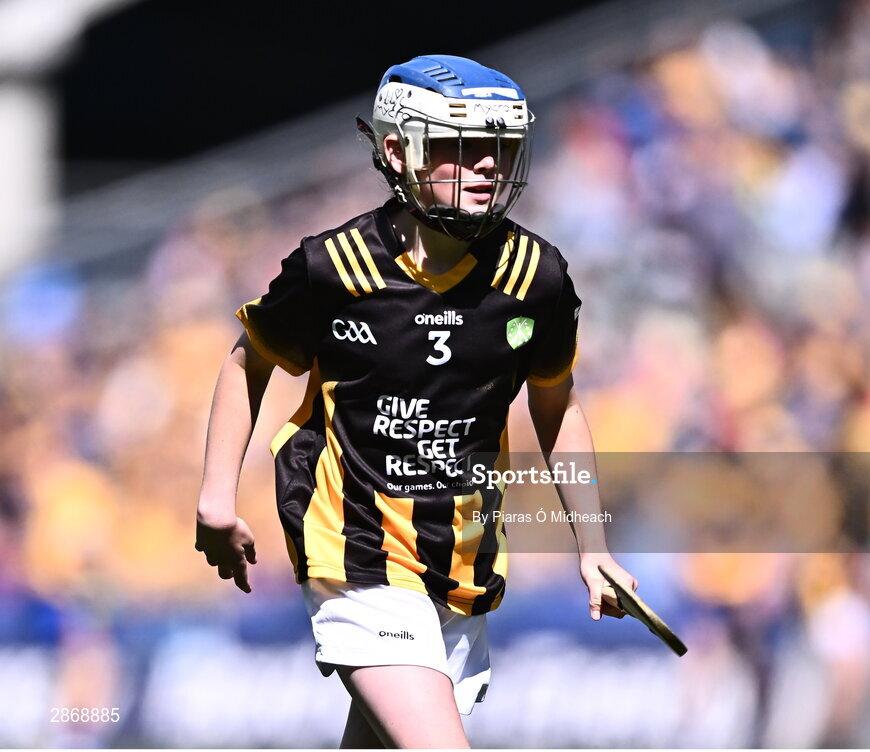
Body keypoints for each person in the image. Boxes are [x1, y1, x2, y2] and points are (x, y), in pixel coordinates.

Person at [195, 54, 637, 749]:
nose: (488, 166)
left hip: (458, 568)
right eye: (464, 149)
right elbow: (246, 363)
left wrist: (594, 546)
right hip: (355, 557)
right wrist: (217, 498)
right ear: (399, 152)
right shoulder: (332, 266)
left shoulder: (537, 277)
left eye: (499, 149)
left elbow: (558, 405)